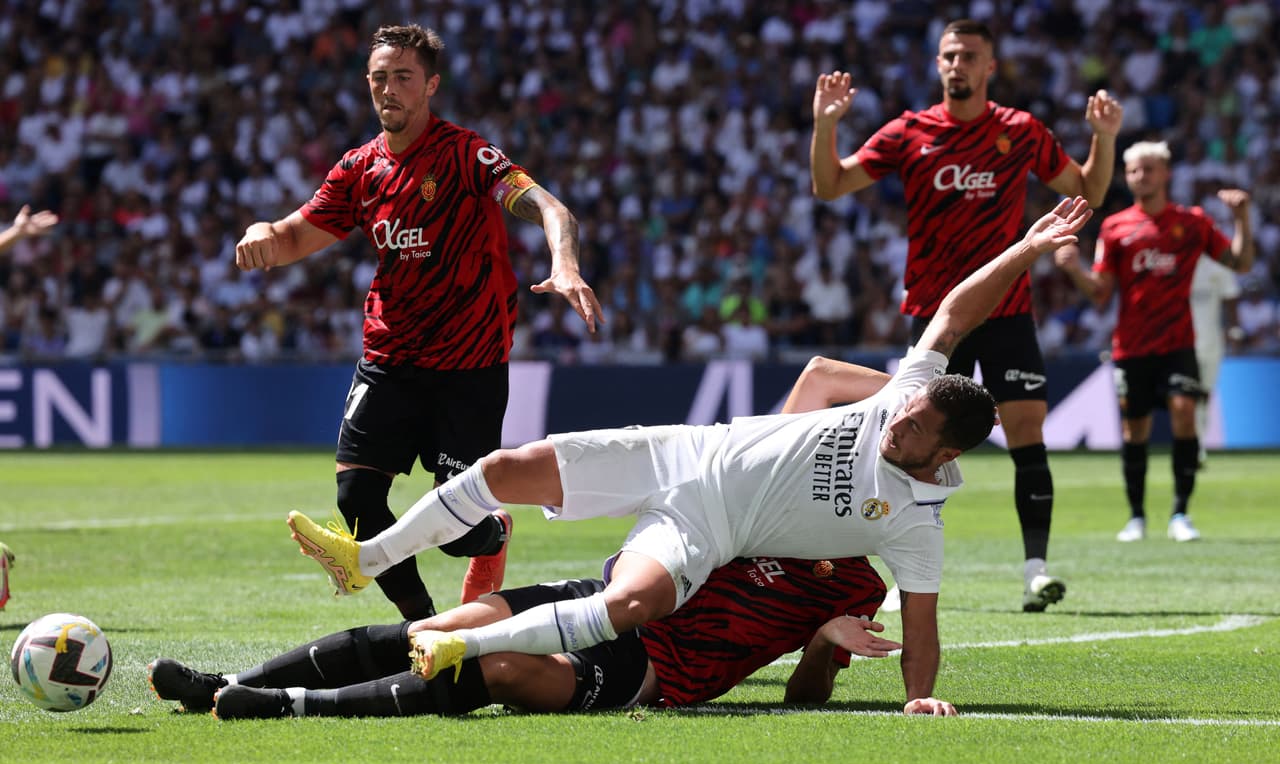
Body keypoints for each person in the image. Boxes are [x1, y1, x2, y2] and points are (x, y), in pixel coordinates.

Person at [285, 197, 1094, 717]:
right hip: (681, 451)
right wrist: (1023, 249)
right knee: (506, 469)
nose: (895, 422)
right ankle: (368, 559)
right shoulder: (904, 393)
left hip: (708, 525)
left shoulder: (913, 523)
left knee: (630, 602)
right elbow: (952, 314)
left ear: (943, 455)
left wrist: (923, 698)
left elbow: (923, 624)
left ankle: (468, 645)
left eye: (914, 428)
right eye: (905, 408)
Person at [234, 25, 603, 620]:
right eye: (379, 77)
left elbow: (548, 206)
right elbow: (295, 233)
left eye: (403, 77)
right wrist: (263, 234)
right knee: (356, 499)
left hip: (469, 363)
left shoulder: (465, 154)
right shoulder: (359, 169)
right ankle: (425, 629)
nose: (389, 89)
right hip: (390, 357)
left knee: (459, 533)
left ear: (431, 84)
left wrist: (564, 264)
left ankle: (495, 535)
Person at [809, 19, 1125, 612]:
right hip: (935, 319)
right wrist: (826, 125)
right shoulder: (910, 131)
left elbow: (1088, 188)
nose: (958, 64)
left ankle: (1036, 570)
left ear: (989, 67)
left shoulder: (1020, 130)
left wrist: (1103, 139)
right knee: (908, 441)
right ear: (938, 64)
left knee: (1028, 432)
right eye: (950, 55)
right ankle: (904, 577)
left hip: (1008, 311)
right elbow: (831, 185)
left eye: (970, 56)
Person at [147, 554, 900, 719]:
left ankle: (284, 703)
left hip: (656, 662)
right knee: (430, 630)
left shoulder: (859, 585)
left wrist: (824, 637)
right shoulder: (766, 495)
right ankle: (225, 683)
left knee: (499, 671)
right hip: (602, 598)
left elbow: (805, 695)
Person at [1053, 141, 1253, 543]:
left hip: (1179, 343)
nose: (1140, 177)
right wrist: (1074, 269)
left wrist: (1242, 219)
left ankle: (1181, 513)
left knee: (1183, 412)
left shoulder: (1192, 223)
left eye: (1148, 169)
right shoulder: (1115, 228)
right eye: (1133, 171)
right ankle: (1137, 517)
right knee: (1135, 430)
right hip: (1132, 347)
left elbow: (1240, 263)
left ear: (1166, 174)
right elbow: (1100, 292)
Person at [1188, 255, 1242, 465]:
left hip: (1211, 343)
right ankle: (1189, 446)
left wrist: (1235, 332)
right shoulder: (1175, 260)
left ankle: (1198, 445)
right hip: (1179, 342)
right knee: (1185, 396)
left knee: (1203, 396)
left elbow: (1231, 299)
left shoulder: (1219, 265)